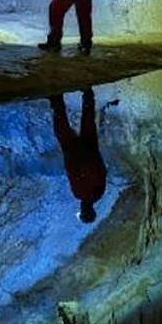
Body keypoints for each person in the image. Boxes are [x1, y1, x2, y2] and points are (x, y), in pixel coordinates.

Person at [50, 89, 106, 223]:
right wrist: (91, 154)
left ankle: (57, 98)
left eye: (82, 211)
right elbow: (100, 170)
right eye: (84, 211)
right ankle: (86, 93)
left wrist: (70, 157)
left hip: (76, 152)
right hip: (86, 150)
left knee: (63, 127)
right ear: (90, 210)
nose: (82, 208)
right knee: (86, 122)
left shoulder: (83, 194)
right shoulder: (94, 193)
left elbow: (71, 172)